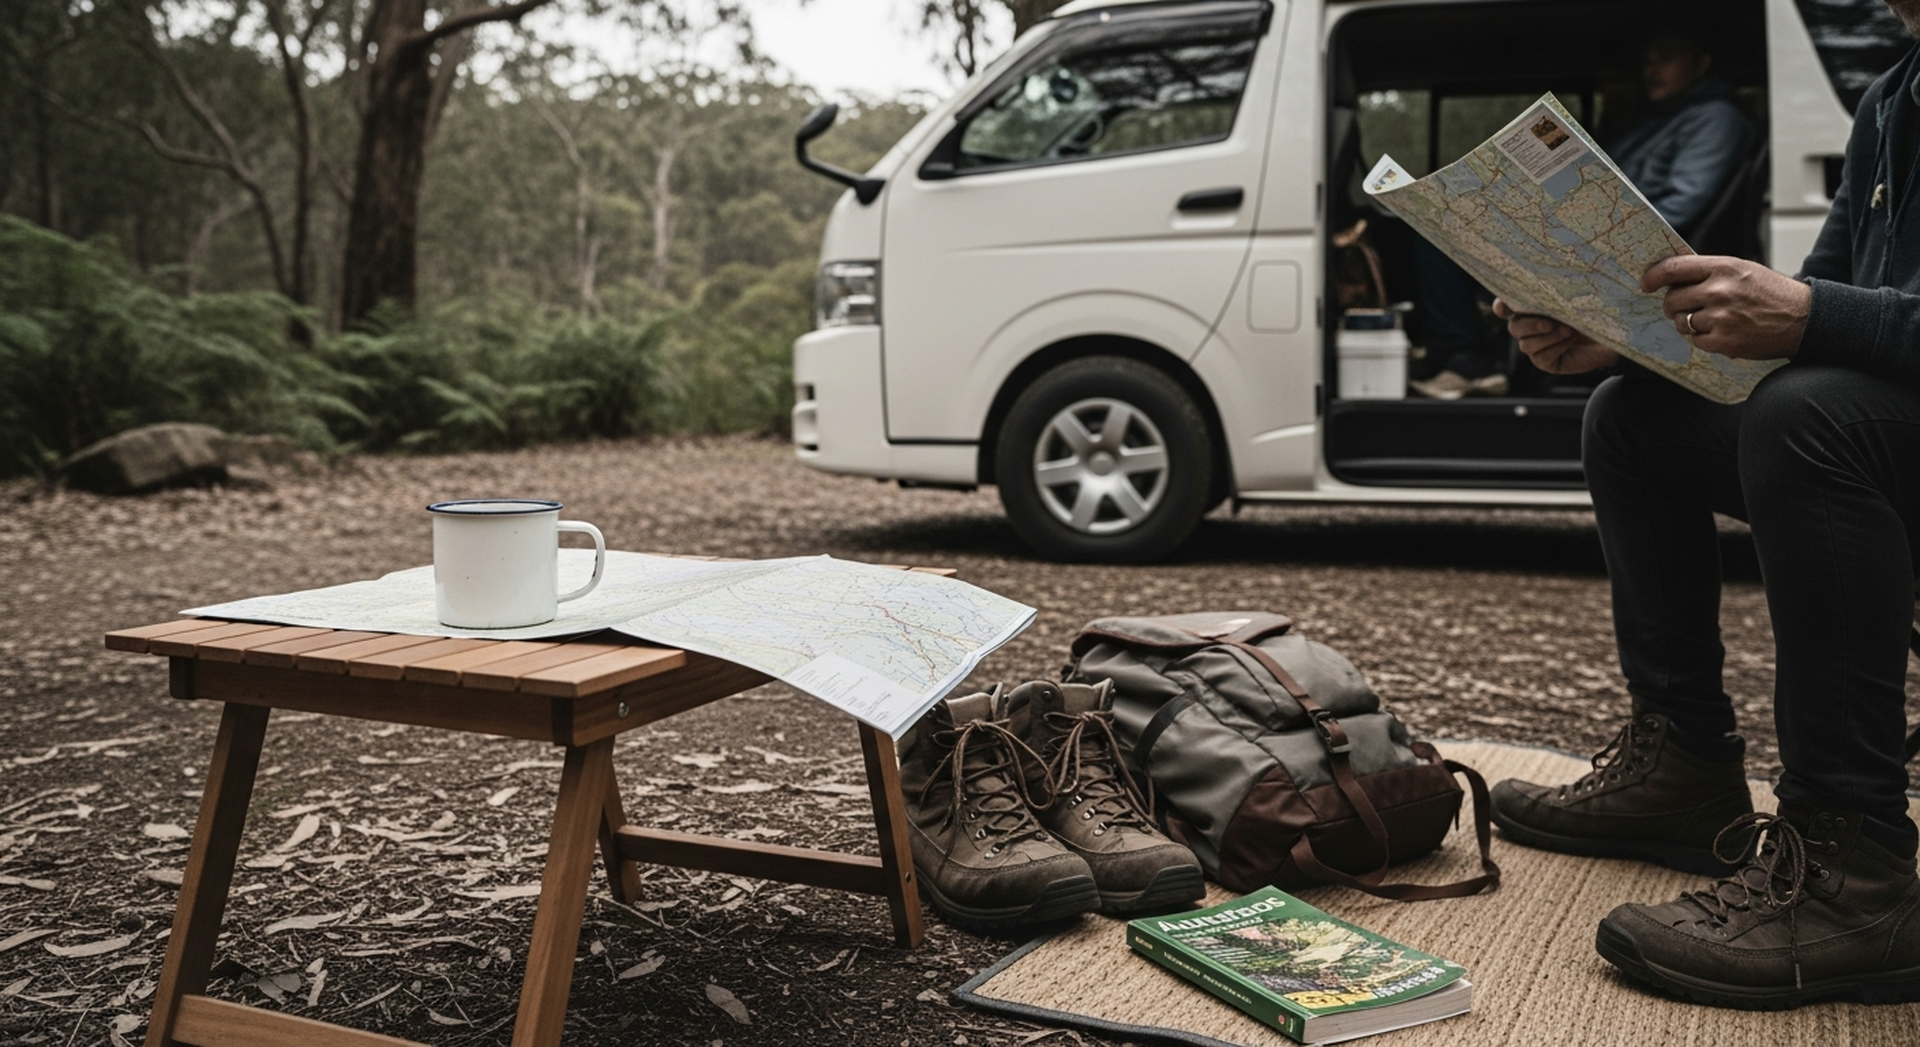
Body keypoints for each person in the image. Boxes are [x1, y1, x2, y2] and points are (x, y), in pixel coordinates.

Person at [1485, 0, 1920, 1009]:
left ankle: (1854, 864)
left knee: (1813, 419)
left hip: (1874, 439)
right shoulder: (1894, 94)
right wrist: (1627, 336)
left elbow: (1823, 322)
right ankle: (1684, 764)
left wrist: (1813, 315)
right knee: (1633, 413)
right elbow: (1821, 310)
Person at [1410, 29, 1752, 399]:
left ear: (1701, 64)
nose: (1652, 69)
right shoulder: (1656, 122)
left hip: (1624, 251)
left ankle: (1468, 360)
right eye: (1648, 61)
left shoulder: (1714, 118)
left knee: (1437, 244)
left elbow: (1680, 208)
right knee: (1438, 224)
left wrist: (1576, 234)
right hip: (1598, 234)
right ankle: (1475, 358)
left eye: (1666, 57)